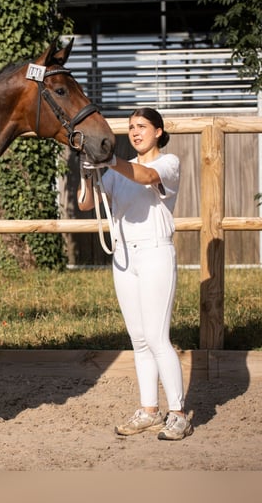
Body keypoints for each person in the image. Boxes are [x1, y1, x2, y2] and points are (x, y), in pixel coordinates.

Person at [77, 106, 193, 441]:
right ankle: (149, 410)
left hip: (156, 252)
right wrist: (87, 171)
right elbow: (87, 204)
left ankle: (178, 414)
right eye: (130, 127)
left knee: (158, 339)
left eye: (142, 126)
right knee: (139, 341)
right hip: (125, 257)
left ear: (158, 131)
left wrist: (109, 161)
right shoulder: (116, 173)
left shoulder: (167, 164)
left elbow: (144, 177)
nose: (135, 131)